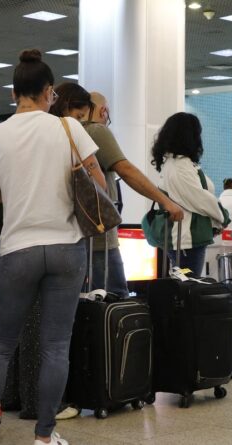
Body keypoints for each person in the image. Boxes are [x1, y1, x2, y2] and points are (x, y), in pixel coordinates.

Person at [0, 49, 106, 445]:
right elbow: (101, 189)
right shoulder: (69, 129)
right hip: (66, 248)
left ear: (14, 93)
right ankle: (44, 437)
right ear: (49, 93)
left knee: (0, 346)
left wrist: (18, 186)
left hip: (19, 249)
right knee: (56, 346)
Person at [50, 84, 183, 295]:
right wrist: (165, 201)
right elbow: (127, 170)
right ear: (103, 110)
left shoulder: (53, 132)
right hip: (98, 237)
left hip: (63, 237)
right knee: (113, 299)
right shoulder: (95, 130)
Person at [151, 112, 229, 275]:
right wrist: (222, 216)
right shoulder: (180, 166)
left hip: (186, 238)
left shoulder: (178, 163)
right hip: (186, 240)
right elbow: (199, 199)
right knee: (188, 288)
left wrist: (214, 222)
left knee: (185, 286)